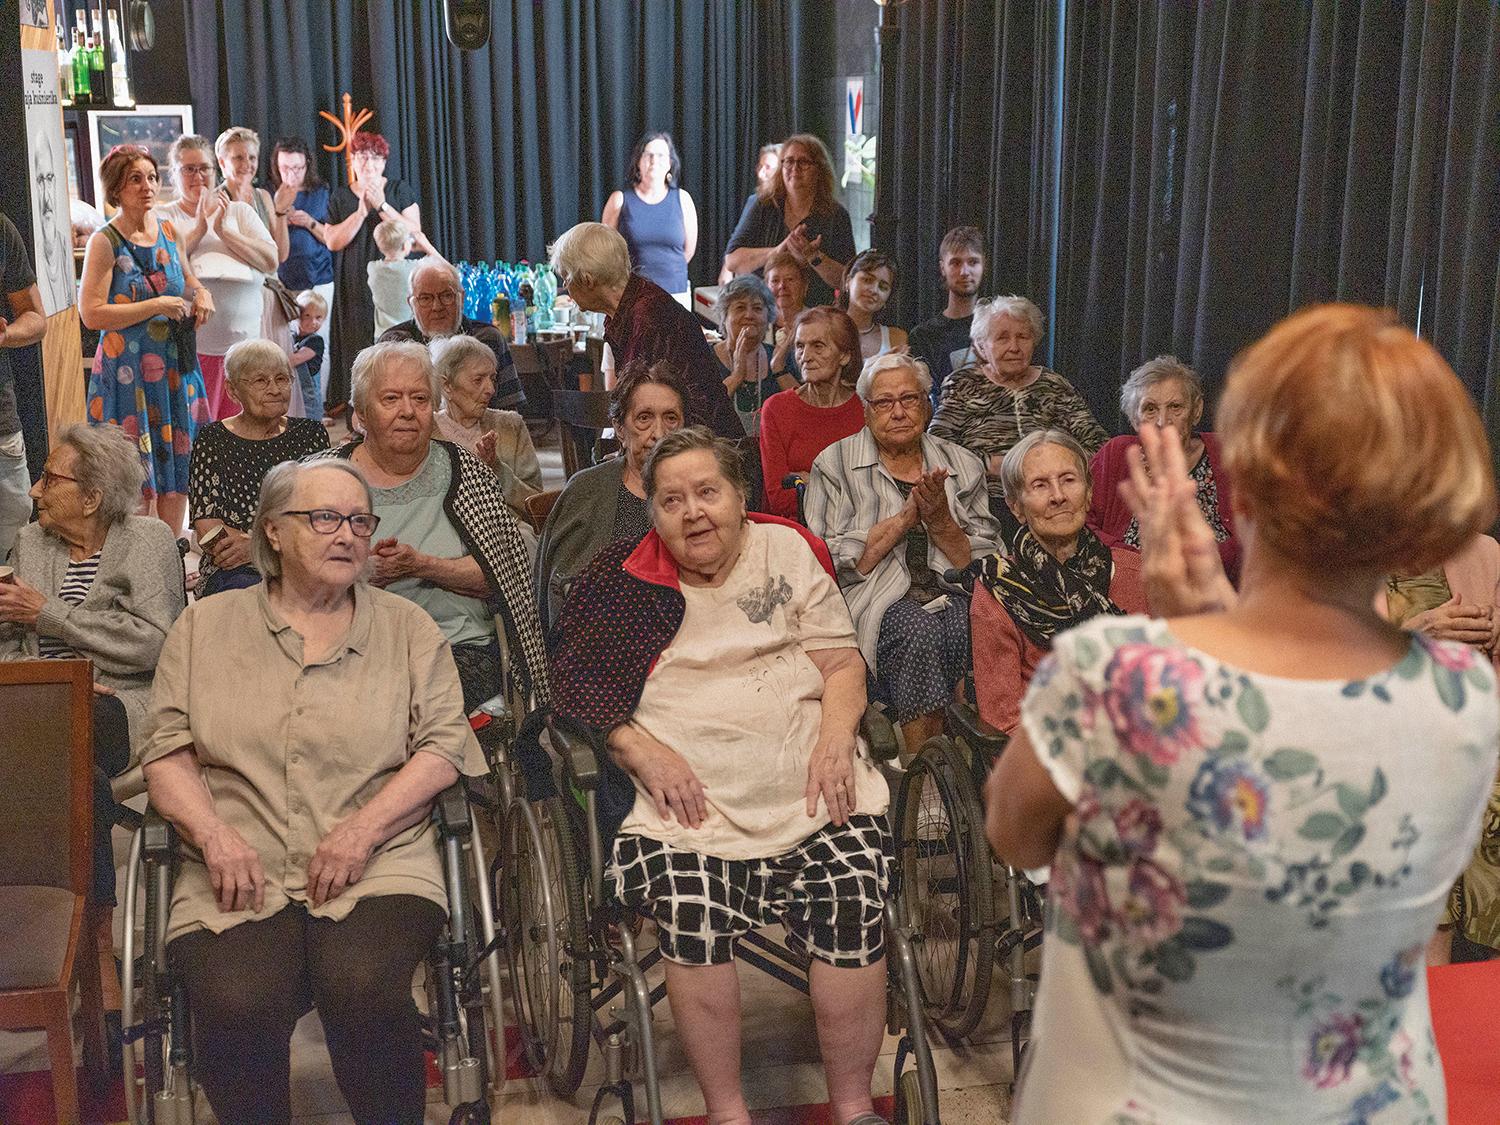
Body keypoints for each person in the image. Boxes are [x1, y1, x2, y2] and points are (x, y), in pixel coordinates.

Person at [983, 303, 1500, 1124]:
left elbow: (1014, 834)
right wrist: (1210, 626)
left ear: (1245, 486)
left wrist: (1185, 635)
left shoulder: (1116, 675)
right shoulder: (1464, 693)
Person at [550, 427, 891, 1125]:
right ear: (654, 514)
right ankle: (728, 1111)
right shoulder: (623, 579)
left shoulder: (787, 548)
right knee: (690, 906)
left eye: (708, 492)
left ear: (741, 498)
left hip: (807, 779)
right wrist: (638, 748)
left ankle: (854, 1106)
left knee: (854, 886)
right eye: (671, 499)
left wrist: (837, 734)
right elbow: (579, 687)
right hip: (692, 803)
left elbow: (841, 662)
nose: (692, 511)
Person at [140, 458, 485, 1125]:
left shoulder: (408, 629)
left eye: (360, 520)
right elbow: (167, 753)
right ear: (273, 530)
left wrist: (365, 828)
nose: (347, 535)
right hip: (237, 857)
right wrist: (212, 833)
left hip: (381, 857)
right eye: (324, 518)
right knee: (238, 997)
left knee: (361, 985)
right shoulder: (203, 628)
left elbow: (443, 747)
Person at [0, 424, 187, 909]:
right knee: (80, 781)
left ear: (91, 498)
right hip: (42, 701)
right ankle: (88, 930)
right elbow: (8, 644)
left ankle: (62, 921)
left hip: (121, 704)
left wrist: (51, 615)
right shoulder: (31, 542)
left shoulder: (147, 540)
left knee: (50, 757)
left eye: (50, 479)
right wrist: (52, 682)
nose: (36, 490)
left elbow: (154, 642)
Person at [316, 340, 548, 713]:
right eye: (390, 399)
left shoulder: (467, 472)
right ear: (360, 413)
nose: (407, 411)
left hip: (454, 646)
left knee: (403, 699)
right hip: (345, 642)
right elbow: (294, 577)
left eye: (420, 399)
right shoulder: (321, 477)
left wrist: (422, 566)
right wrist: (359, 574)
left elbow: (502, 575)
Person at [806, 353, 1000, 752]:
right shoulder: (833, 465)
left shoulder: (961, 464)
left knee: (978, 624)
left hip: (953, 591)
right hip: (872, 596)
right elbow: (825, 560)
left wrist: (942, 522)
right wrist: (904, 520)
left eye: (909, 399)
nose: (897, 412)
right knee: (919, 631)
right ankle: (923, 769)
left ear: (928, 405)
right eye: (884, 402)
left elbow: (984, 563)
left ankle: (973, 761)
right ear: (865, 410)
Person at [972, 430, 1147, 733]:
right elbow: (1004, 720)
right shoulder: (998, 590)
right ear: (1016, 506)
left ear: (1089, 492)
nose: (1058, 496)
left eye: (1068, 480)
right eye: (1040, 485)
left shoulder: (1137, 573)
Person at [1377, 534, 1500, 966]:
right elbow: (1327, 665)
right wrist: (1412, 636)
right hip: (1399, 760)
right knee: (1427, 941)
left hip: (1481, 753)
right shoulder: (1346, 560)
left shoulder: (1486, 553)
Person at [80, 146, 213, 533]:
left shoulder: (171, 232)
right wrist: (154, 305)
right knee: (131, 470)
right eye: (135, 179)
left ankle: (172, 546)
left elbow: (187, 280)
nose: (147, 186)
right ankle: (135, 559)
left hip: (173, 365)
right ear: (116, 189)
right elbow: (91, 313)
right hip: (127, 372)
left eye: (152, 177)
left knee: (176, 461)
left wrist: (201, 293)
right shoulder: (105, 242)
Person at [534, 359, 688, 633]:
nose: (659, 434)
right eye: (644, 418)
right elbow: (560, 598)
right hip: (603, 650)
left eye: (671, 418)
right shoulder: (587, 491)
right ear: (619, 428)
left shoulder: (698, 492)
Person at [550, 222, 740, 437]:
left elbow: (653, 408)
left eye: (566, 278)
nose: (566, 287)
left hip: (700, 450)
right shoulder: (633, 304)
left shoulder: (648, 317)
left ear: (587, 280)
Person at [930, 294, 1107, 522]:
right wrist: (991, 464)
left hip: (1054, 498)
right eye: (1002, 338)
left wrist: (1055, 466)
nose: (1014, 347)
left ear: (1034, 341)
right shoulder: (963, 384)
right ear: (982, 346)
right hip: (985, 501)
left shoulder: (1054, 385)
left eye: (1023, 337)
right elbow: (937, 447)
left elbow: (1100, 446)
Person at [188, 339, 330, 597]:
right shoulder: (212, 439)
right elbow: (207, 526)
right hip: (234, 567)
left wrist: (258, 547)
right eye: (261, 381)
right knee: (245, 594)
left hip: (301, 558)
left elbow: (323, 514)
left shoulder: (311, 435)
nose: (275, 389)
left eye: (282, 379)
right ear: (232, 391)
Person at [156, 134, 277, 422]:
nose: (198, 176)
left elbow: (270, 261)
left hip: (246, 350)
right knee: (200, 430)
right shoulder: (164, 216)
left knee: (247, 430)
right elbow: (165, 267)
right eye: (188, 169)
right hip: (191, 353)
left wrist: (224, 232)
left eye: (204, 168)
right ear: (174, 174)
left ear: (215, 171)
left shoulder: (240, 212)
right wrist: (199, 229)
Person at [1088, 355, 1241, 580]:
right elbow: (1082, 523)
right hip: (1127, 583)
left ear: (1196, 410)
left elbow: (1254, 534)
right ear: (1134, 419)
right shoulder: (1117, 454)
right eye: (1150, 409)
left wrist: (1203, 561)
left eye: (1175, 407)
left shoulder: (1226, 452)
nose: (1162, 421)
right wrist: (1127, 560)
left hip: (1214, 584)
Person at [323, 132, 423, 414]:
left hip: (395, 279)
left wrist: (382, 205)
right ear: (352, 161)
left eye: (374, 158)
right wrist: (361, 211)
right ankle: (361, 415)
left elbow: (414, 233)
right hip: (355, 281)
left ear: (383, 162)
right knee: (359, 344)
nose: (368, 164)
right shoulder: (341, 196)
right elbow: (332, 241)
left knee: (394, 342)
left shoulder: (399, 189)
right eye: (361, 157)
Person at [723, 134, 855, 309]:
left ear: (819, 169)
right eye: (789, 161)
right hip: (762, 314)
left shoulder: (836, 215)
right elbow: (733, 261)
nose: (795, 168)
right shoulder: (761, 204)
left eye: (803, 162)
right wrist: (777, 251)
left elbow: (847, 281)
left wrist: (814, 257)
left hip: (814, 317)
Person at [758, 307, 864, 521]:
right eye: (799, 346)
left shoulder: (865, 410)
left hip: (858, 529)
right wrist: (843, 485)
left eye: (818, 346)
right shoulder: (777, 409)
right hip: (794, 535)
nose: (805, 357)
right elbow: (779, 500)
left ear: (844, 355)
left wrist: (811, 481)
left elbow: (871, 494)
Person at [378, 259, 522, 410]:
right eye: (425, 298)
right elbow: (367, 410)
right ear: (411, 303)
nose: (437, 306)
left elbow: (510, 407)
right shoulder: (394, 342)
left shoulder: (487, 338)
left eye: (446, 296)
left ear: (462, 298)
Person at [432, 334, 542, 516]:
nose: (490, 389)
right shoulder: (427, 431)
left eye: (492, 379)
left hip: (509, 531)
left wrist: (496, 468)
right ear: (447, 386)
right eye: (478, 380)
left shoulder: (510, 426)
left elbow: (537, 505)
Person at [601, 131, 697, 302]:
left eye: (661, 155)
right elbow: (607, 252)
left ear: (670, 163)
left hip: (676, 294)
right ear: (638, 161)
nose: (654, 160)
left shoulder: (683, 199)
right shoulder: (619, 200)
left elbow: (688, 252)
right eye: (648, 155)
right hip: (633, 295)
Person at [0, 210, 45, 563]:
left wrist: (6, 334)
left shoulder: (2, 228)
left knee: (15, 517)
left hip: (1, 415)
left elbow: (36, 319)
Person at [269, 137, 334, 360]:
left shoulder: (321, 192)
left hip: (318, 278)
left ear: (307, 164)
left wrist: (309, 222)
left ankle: (320, 396)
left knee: (317, 348)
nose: (291, 174)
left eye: (297, 168)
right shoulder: (268, 195)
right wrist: (279, 219)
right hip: (282, 282)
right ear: (277, 166)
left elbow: (333, 239)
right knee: (284, 347)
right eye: (285, 168)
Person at [908, 225, 984, 404]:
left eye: (973, 262)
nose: (965, 272)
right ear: (943, 268)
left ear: (984, 265)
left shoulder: (1000, 327)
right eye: (956, 263)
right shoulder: (923, 336)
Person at [711, 275, 795, 436]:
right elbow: (703, 414)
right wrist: (736, 376)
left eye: (757, 308)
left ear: (768, 316)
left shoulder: (781, 358)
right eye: (740, 308)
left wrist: (778, 369)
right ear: (724, 316)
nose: (749, 315)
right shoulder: (705, 357)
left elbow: (803, 412)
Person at [718, 144, 783, 285]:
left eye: (768, 168)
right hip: (756, 284)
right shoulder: (755, 202)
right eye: (760, 167)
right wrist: (727, 269)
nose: (760, 174)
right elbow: (738, 241)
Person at [840, 249, 907, 362]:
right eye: (867, 280)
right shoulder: (824, 329)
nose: (874, 290)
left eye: (883, 287)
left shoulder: (896, 338)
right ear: (848, 281)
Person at [367, 219, 424, 338]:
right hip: (409, 332)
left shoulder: (372, 268)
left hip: (383, 335)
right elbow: (445, 266)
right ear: (404, 245)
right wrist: (425, 246)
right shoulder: (414, 267)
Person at [765, 249, 809, 380]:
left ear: (805, 286)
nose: (782, 286)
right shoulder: (758, 323)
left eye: (790, 279)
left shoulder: (818, 324)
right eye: (775, 281)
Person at [290, 290, 328, 423]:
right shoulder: (293, 337)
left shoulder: (315, 341)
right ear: (297, 316)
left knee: (310, 427)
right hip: (295, 394)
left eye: (318, 318)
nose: (313, 322)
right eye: (307, 316)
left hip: (309, 400)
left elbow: (293, 360)